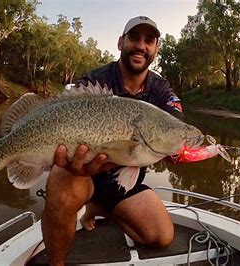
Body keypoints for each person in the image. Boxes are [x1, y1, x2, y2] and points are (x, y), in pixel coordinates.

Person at [41, 16, 184, 266]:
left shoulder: (161, 91)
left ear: (155, 49)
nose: (141, 45)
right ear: (120, 42)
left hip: (122, 184)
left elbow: (175, 128)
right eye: (134, 38)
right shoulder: (95, 81)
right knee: (63, 192)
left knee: (161, 236)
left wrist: (182, 149)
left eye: (149, 41)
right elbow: (59, 110)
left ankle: (99, 207)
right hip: (82, 175)